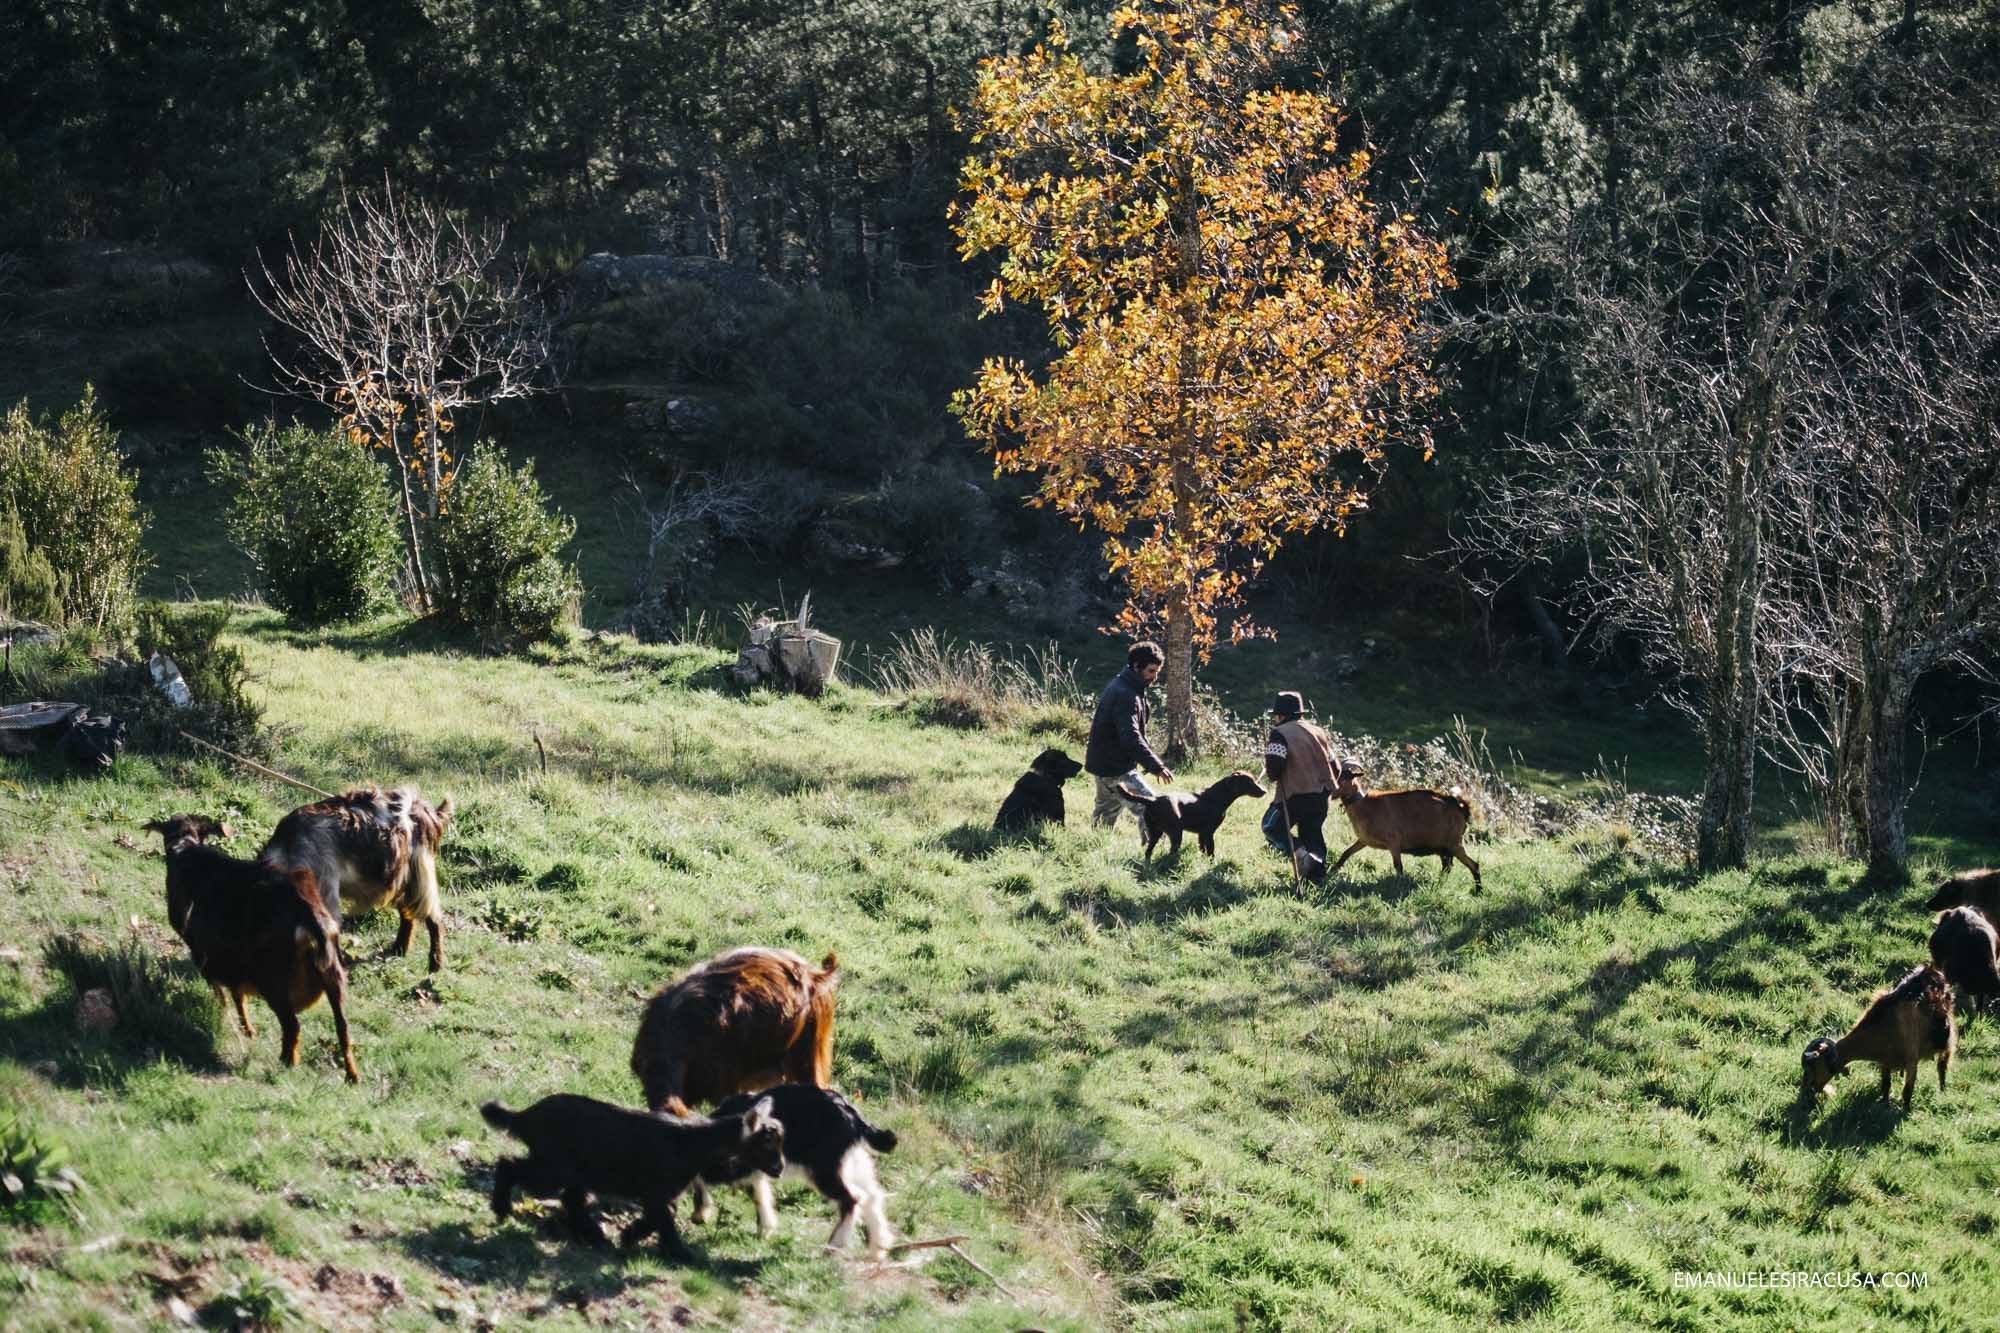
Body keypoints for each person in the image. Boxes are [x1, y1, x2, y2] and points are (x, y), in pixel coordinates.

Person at [1086, 642, 1173, 836]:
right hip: (1117, 766)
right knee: (1154, 809)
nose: (1155, 677)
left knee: (1105, 813)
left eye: (1157, 671)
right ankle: (1153, 857)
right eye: (1151, 671)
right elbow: (1131, 737)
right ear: (1136, 666)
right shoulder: (1126, 695)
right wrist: (1156, 766)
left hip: (1103, 764)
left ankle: (1094, 847)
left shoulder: (1125, 685)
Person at [1262, 691, 1337, 881]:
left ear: (1282, 715)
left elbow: (1274, 770)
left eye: (1276, 715)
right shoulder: (1317, 731)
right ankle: (1317, 877)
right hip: (1321, 795)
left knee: (1270, 826)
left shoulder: (1279, 734)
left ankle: (1300, 854)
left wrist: (1272, 769)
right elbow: (1335, 765)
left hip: (1294, 796)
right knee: (1312, 835)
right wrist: (1327, 788)